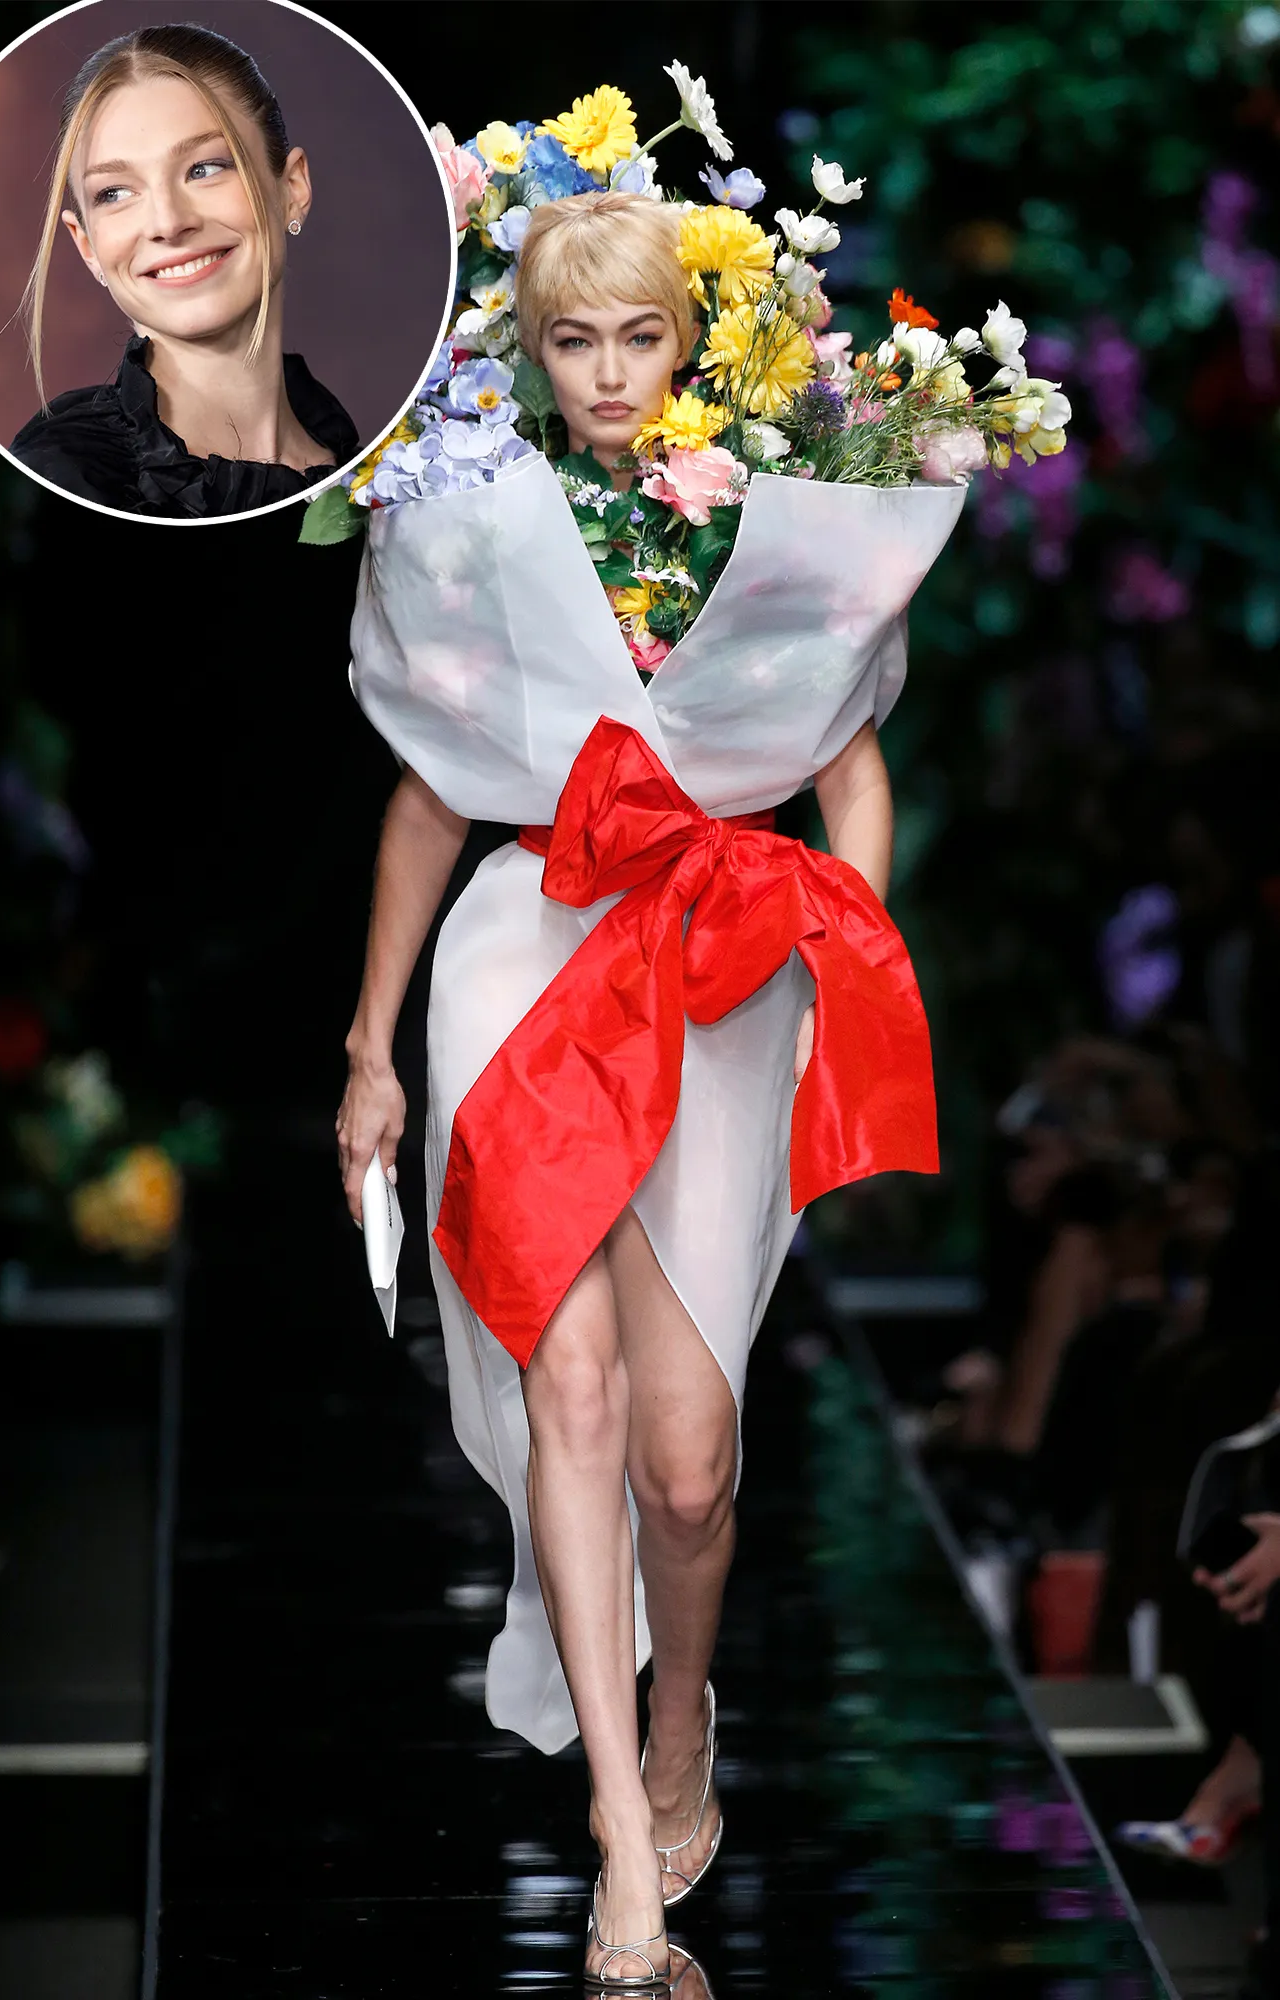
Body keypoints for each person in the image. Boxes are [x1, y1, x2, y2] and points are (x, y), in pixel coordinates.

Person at [334, 190, 945, 1990]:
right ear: (532, 354)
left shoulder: (768, 517)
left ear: (693, 343)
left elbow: (847, 768)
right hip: (523, 947)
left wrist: (843, 958)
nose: (606, 374)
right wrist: (369, 1049)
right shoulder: (473, 521)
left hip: (717, 962)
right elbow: (430, 790)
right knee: (576, 1393)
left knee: (686, 1468)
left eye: (641, 336)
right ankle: (620, 1844)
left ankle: (684, 1726)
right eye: (571, 340)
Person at [9, 24, 356, 518]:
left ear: (292, 189)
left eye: (204, 168)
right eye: (115, 193)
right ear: (87, 247)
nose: (168, 223)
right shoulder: (64, 475)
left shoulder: (371, 463)